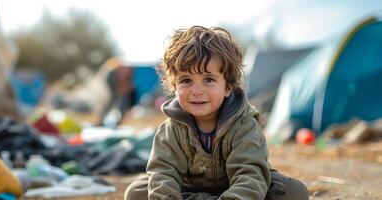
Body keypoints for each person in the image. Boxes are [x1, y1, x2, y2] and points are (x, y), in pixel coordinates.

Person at [125, 26, 308, 200]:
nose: (197, 90)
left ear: (228, 86)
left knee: (293, 191)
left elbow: (250, 174)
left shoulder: (244, 124)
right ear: (174, 86)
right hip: (190, 188)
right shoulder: (171, 129)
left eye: (209, 80)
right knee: (136, 192)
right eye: (186, 81)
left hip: (238, 188)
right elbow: (163, 172)